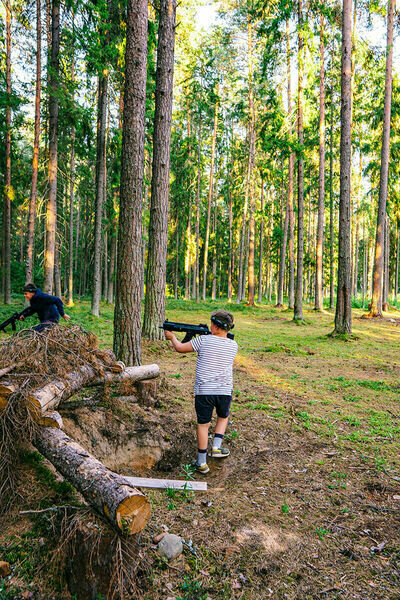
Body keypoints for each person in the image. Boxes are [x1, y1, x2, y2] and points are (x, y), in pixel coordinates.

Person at [164, 310, 238, 474]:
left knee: (203, 425)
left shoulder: (203, 340)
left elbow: (180, 348)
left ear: (216, 326)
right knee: (223, 417)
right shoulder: (234, 345)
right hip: (225, 390)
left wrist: (172, 337)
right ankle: (216, 448)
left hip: (204, 390)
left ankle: (202, 463)